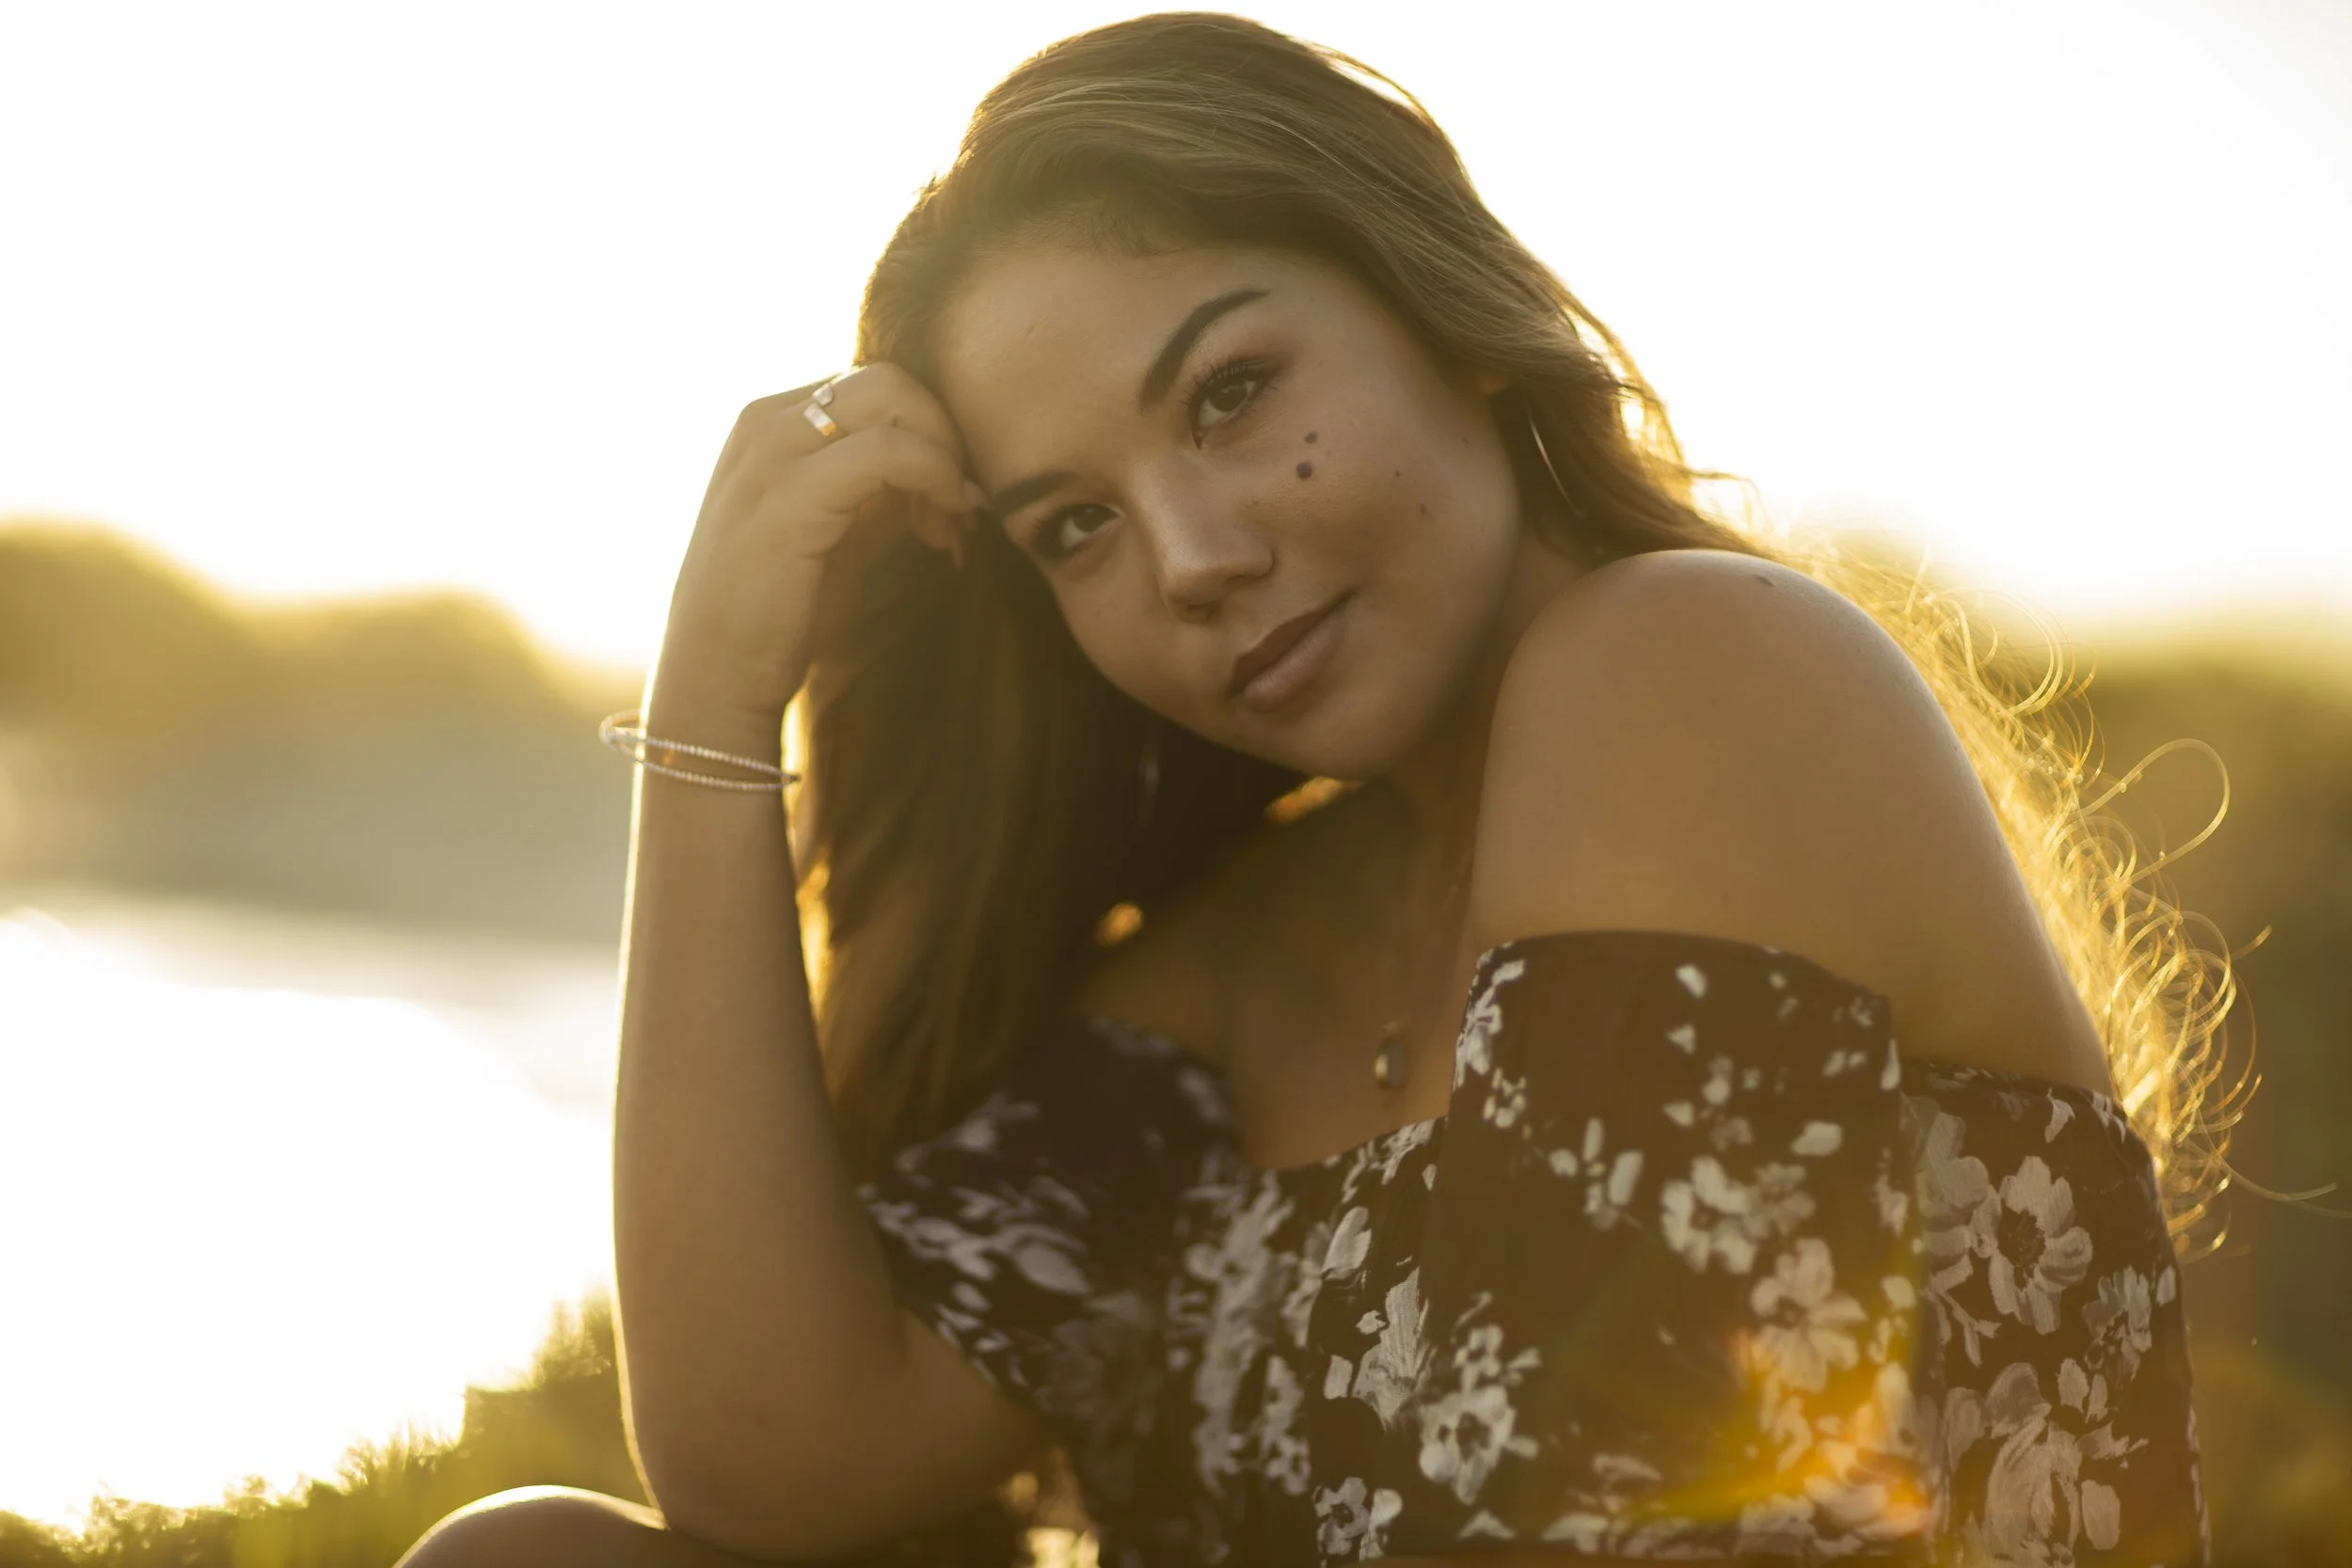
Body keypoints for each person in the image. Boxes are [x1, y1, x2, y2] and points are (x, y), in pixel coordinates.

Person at [398, 12, 2227, 1566]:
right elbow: (768, 1457)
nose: (1186, 554)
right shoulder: (1222, 967)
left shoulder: (1694, 668)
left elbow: (1579, 1500)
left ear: (1436, 306)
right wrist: (711, 711)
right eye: (1072, 525)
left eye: (1229, 388)